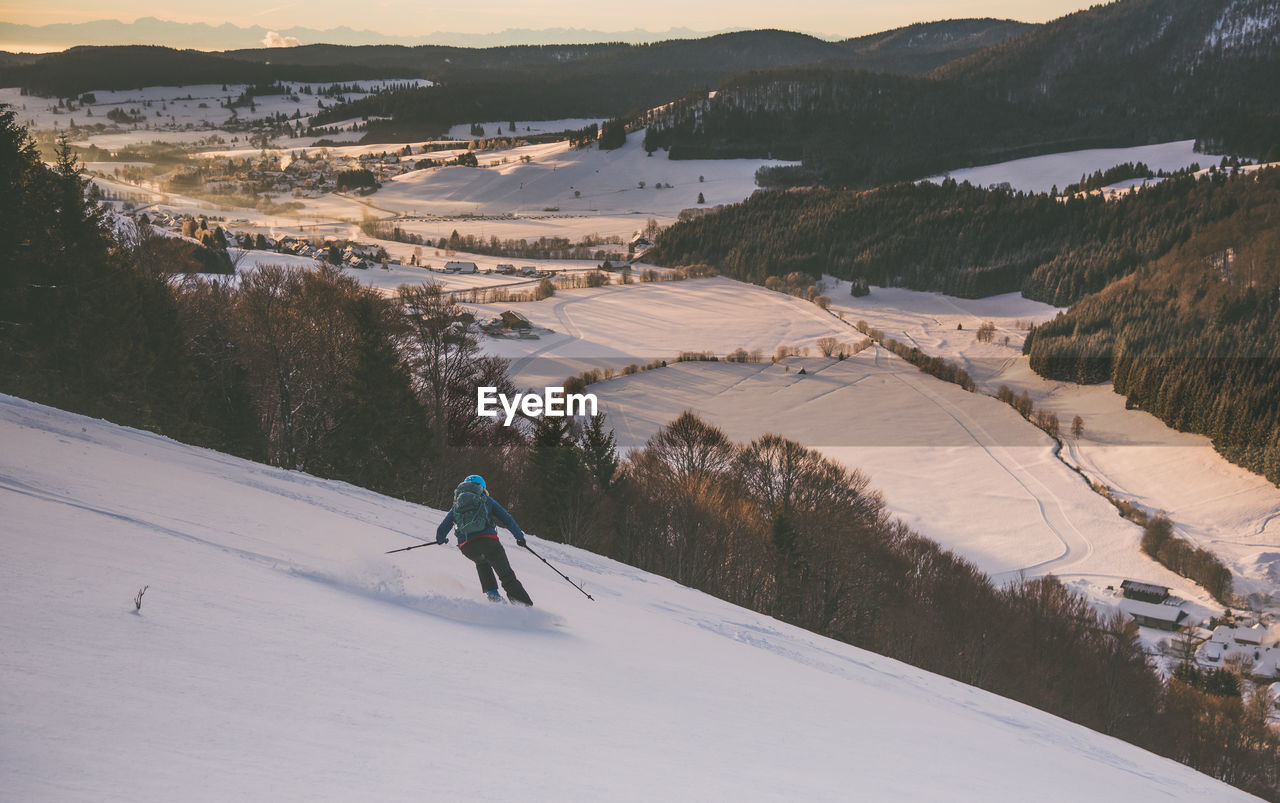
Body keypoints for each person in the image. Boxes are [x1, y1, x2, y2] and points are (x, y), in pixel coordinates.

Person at [436, 475, 533, 606]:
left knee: (481, 562)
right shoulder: (486, 500)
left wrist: (441, 539)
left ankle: (493, 596)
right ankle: (523, 605)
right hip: (488, 542)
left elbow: (442, 528)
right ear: (482, 487)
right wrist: (519, 537)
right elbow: (507, 519)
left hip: (467, 546)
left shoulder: (457, 504)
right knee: (506, 575)